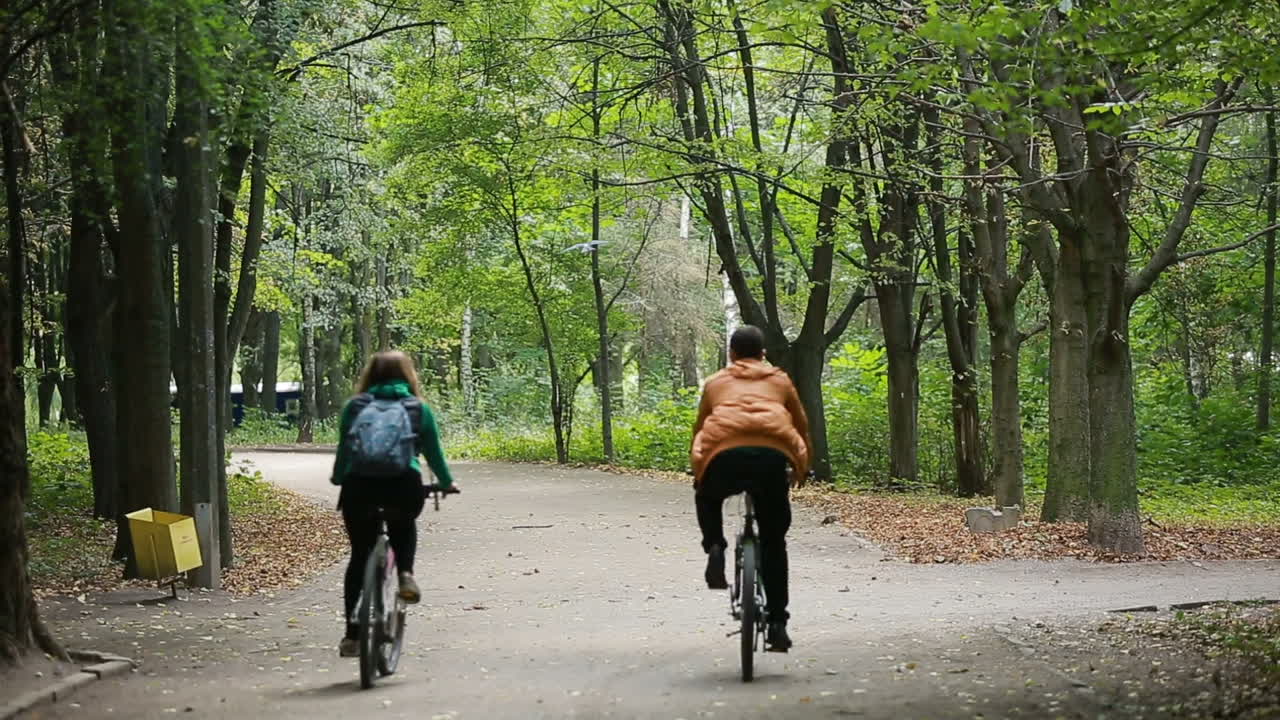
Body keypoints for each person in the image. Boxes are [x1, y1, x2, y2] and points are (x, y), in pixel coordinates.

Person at [690, 325, 811, 652]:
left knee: (707, 495)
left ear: (731, 354)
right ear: (762, 354)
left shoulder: (716, 383)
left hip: (723, 454)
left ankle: (715, 545)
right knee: (773, 541)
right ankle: (777, 624)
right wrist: (802, 465)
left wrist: (699, 470)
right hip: (771, 457)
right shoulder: (780, 380)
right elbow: (800, 424)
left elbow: (701, 427)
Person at [330, 350, 457, 657]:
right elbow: (434, 453)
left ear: (370, 376)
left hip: (359, 487)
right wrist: (445, 482)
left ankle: (352, 637)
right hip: (404, 485)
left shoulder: (355, 407)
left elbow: (345, 450)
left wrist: (339, 478)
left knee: (360, 555)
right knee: (403, 526)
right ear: (408, 375)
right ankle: (405, 574)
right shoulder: (418, 409)